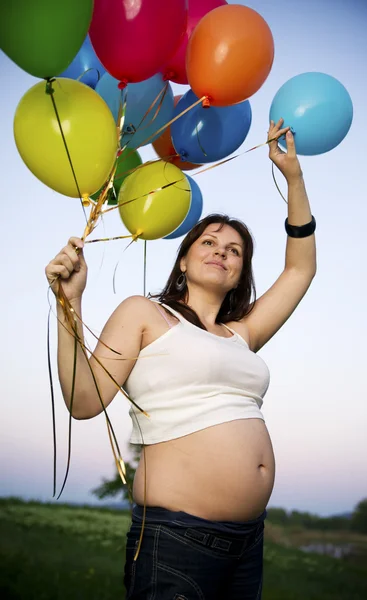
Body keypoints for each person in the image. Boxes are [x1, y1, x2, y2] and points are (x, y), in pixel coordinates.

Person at [45, 119, 316, 600]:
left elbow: (300, 268)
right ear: (185, 259)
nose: (221, 252)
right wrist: (71, 306)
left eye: (234, 251)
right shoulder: (145, 313)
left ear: (238, 275)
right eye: (208, 242)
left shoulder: (243, 334)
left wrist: (293, 178)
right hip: (176, 540)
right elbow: (84, 400)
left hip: (248, 543)